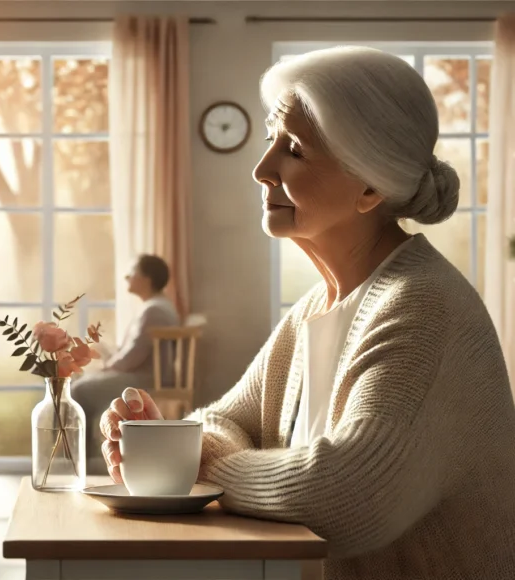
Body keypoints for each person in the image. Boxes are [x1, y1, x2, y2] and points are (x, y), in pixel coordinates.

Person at [100, 46, 515, 578]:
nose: (261, 169)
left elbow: (351, 495)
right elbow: (230, 418)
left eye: (293, 148)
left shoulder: (422, 305)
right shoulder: (318, 306)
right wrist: (181, 446)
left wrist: (200, 465)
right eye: (272, 139)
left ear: (370, 186)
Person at [71, 254, 179, 474]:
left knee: (79, 388)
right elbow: (134, 352)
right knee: (81, 381)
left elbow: (134, 356)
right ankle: (83, 456)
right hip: (143, 374)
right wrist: (108, 355)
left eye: (133, 273)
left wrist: (108, 365)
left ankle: (80, 459)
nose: (127, 276)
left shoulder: (153, 310)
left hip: (145, 379)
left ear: (147, 279)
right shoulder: (157, 306)